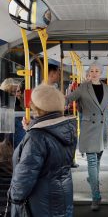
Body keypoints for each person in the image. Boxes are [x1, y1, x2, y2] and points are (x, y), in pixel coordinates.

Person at [9, 84, 77, 217]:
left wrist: (14, 198)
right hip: (63, 193)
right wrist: (31, 129)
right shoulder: (68, 129)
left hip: (42, 201)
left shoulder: (36, 137)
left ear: (38, 107)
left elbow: (26, 173)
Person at [66, 62, 108, 211]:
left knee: (98, 161)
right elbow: (68, 99)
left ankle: (92, 180)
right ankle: (96, 196)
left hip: (102, 129)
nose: (94, 73)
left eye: (97, 70)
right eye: (92, 70)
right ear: (89, 72)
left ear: (101, 73)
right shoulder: (83, 88)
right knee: (92, 162)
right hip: (89, 130)